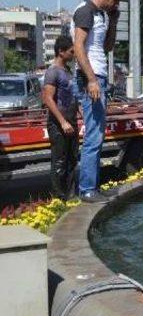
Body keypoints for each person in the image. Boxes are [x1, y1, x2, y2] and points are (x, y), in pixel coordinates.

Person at [71, 0, 122, 203]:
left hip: (98, 77)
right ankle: (88, 190)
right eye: (115, 0)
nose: (116, 4)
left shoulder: (101, 14)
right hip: (91, 78)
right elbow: (78, 46)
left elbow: (107, 47)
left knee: (97, 135)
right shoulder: (85, 11)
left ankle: (92, 187)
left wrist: (115, 20)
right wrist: (91, 80)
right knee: (93, 135)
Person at [42, 36, 78, 201]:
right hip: (58, 125)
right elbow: (48, 98)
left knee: (72, 160)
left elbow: (72, 97)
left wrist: (80, 115)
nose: (74, 53)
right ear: (61, 52)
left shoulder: (68, 71)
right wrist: (62, 122)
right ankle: (59, 199)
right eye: (71, 51)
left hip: (71, 123)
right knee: (59, 163)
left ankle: (71, 196)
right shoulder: (53, 71)